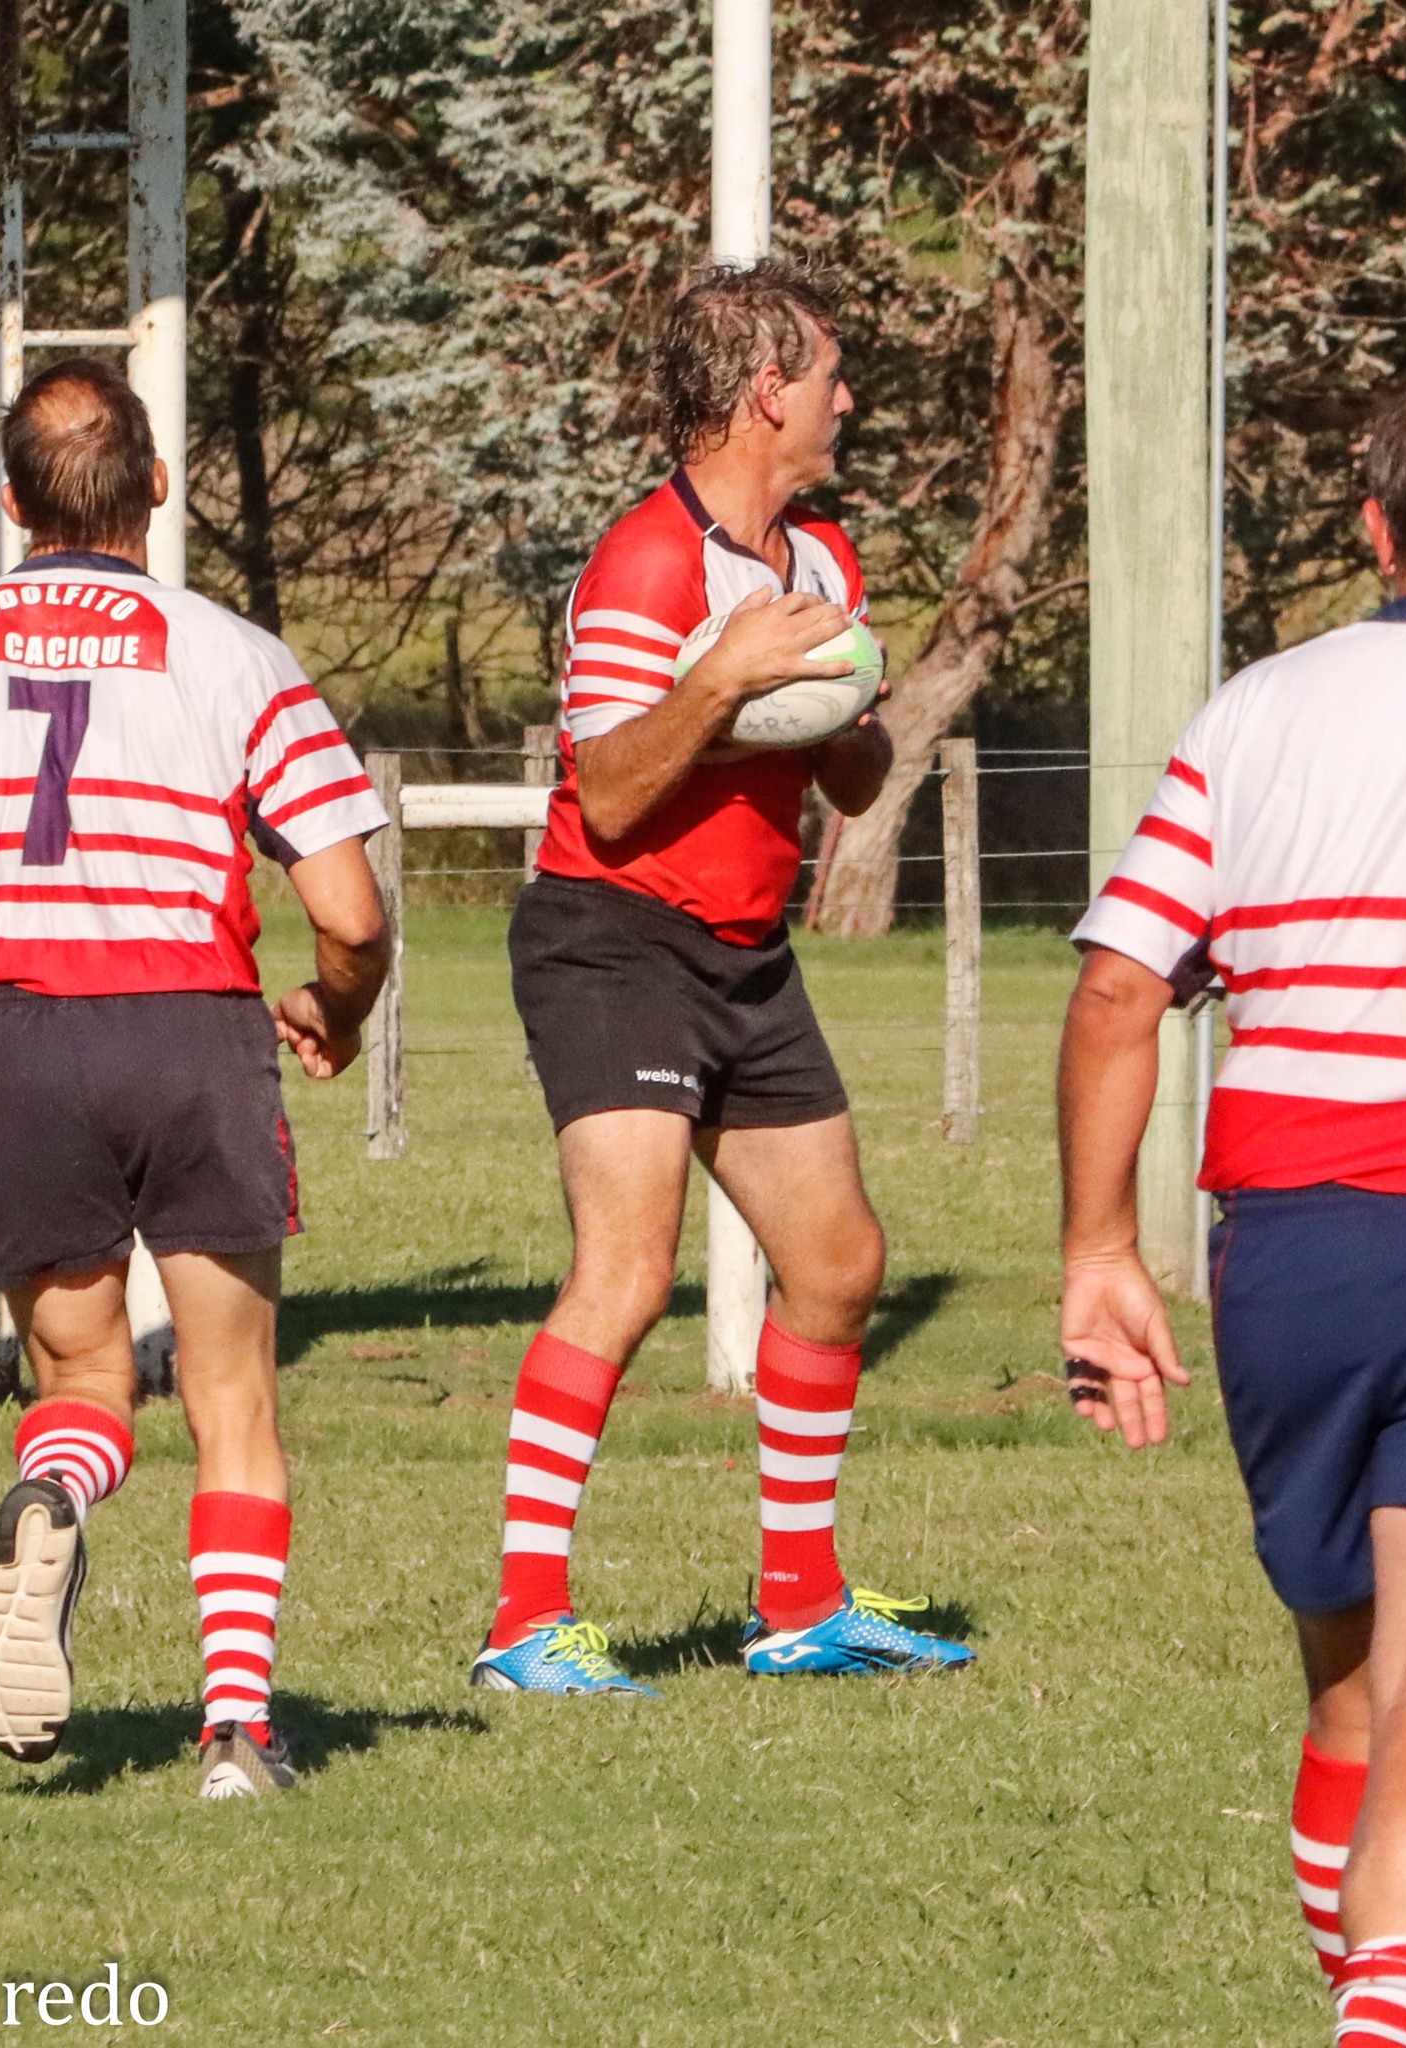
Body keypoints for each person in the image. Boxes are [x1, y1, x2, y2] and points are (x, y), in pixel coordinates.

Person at [0, 356, 391, 1799]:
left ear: (7, 501)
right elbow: (354, 911)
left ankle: (58, 1487)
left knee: (79, 1372)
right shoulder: (232, 652)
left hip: (8, 1029)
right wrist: (337, 1007)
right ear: (160, 488)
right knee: (233, 1394)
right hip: (186, 1024)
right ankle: (240, 1733)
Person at [1057, 370, 1406, 2044]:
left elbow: (1124, 992)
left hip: (1290, 1260)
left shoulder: (1257, 712)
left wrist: (1098, 1253)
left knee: (1351, 1689)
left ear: (1374, 527)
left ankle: (1362, 2001)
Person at [472, 259, 975, 1694]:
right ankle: (521, 1629)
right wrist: (727, 679)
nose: (845, 399)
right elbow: (614, 795)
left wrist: (838, 702)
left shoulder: (822, 562)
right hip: (610, 939)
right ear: (767, 396)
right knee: (626, 1278)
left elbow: (863, 786)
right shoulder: (644, 565)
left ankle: (800, 1607)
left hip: (747, 954)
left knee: (838, 1263)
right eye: (828, 374)